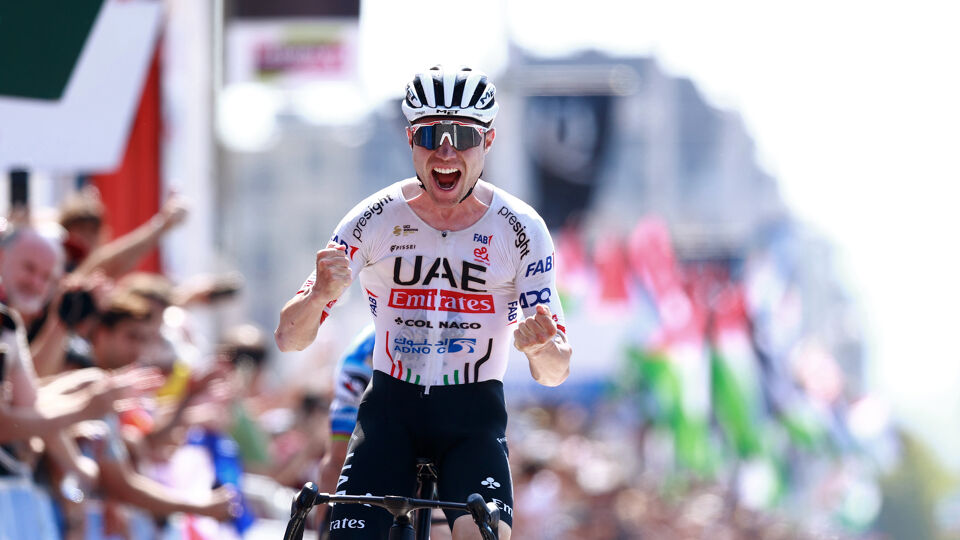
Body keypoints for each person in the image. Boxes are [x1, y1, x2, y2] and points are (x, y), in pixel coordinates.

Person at [276, 65, 573, 540]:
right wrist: (318, 298)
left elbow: (556, 370)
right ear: (412, 140)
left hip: (472, 417)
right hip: (390, 410)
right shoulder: (372, 218)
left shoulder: (521, 229)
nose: (445, 150)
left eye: (463, 136)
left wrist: (539, 349)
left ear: (489, 142)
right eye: (431, 134)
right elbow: (289, 339)